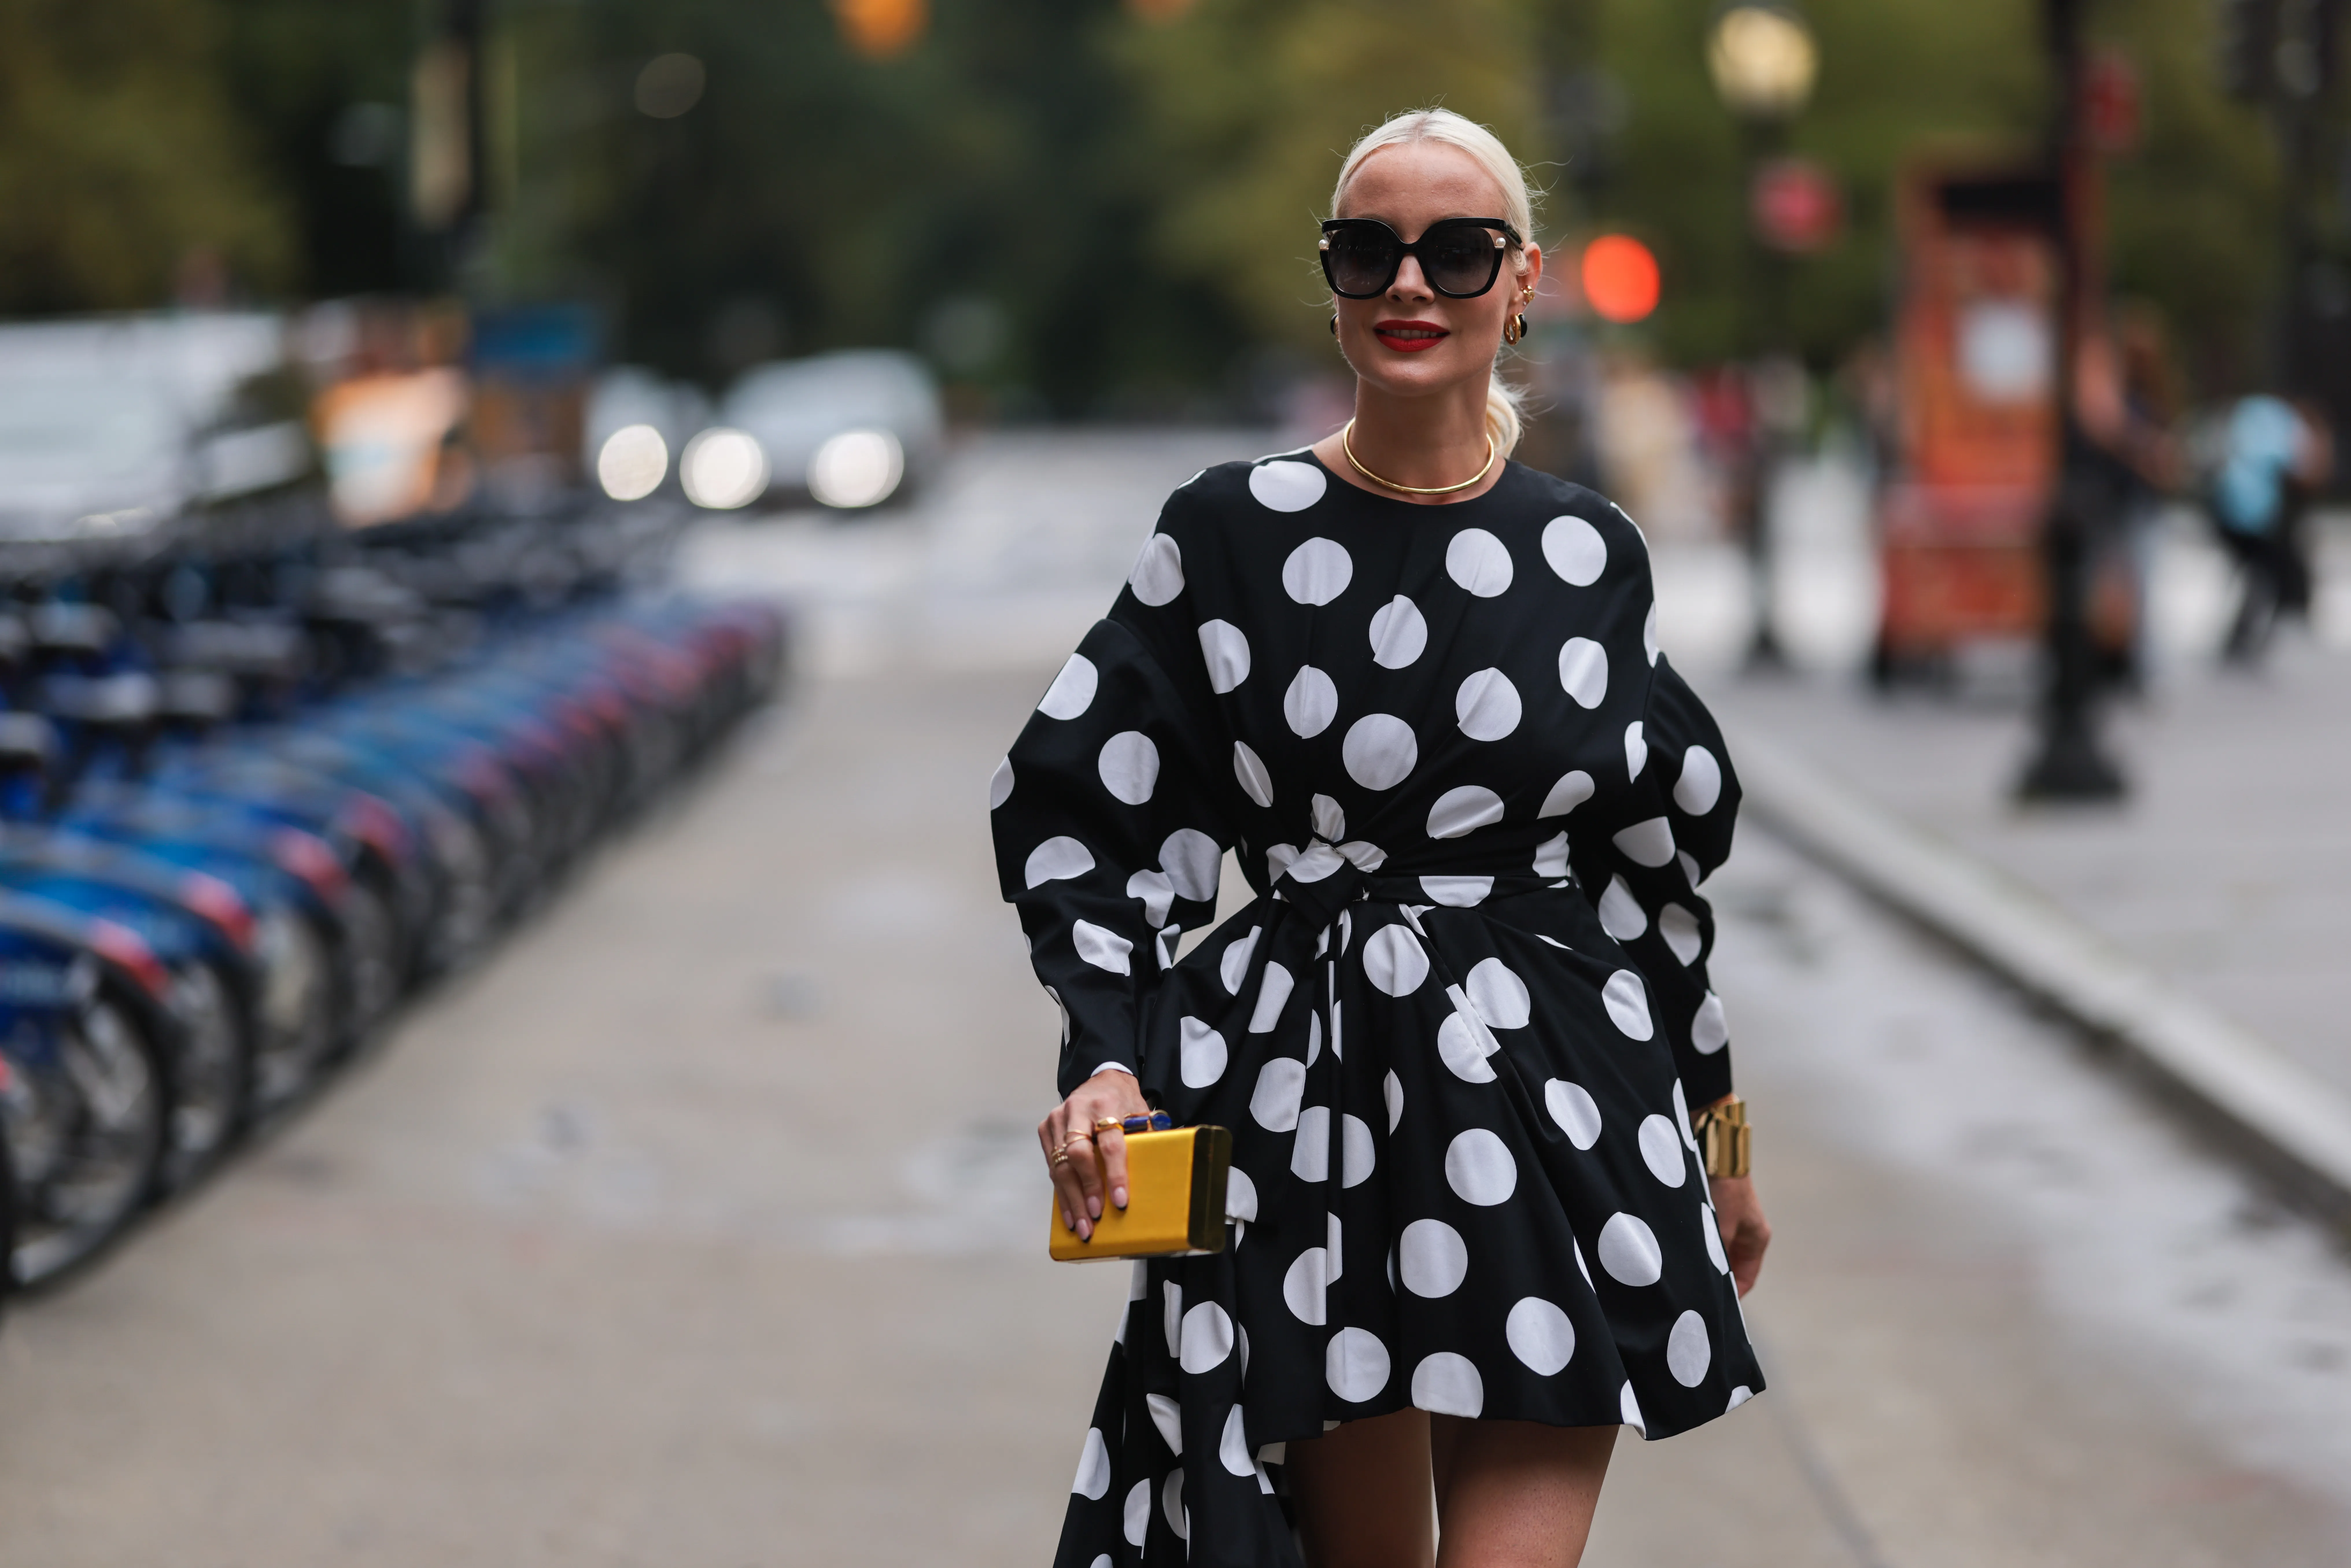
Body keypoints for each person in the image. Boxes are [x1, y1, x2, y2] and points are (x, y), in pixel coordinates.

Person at [992, 108, 1771, 1568]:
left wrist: (1720, 1136)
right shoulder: (1230, 529)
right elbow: (1085, 802)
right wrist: (1105, 1052)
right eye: (1370, 249)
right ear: (1334, 278)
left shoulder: (1590, 550)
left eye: (1458, 249)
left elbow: (1654, 872)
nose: (1412, 283)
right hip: (1308, 1114)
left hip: (1564, 1107)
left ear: (1523, 280)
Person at [2210, 391, 2330, 665]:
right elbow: (2304, 469)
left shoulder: (2256, 418)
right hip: (2256, 518)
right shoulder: (2286, 428)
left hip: (2234, 512)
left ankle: (2242, 639)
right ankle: (2245, 640)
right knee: (2265, 577)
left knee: (2258, 577)